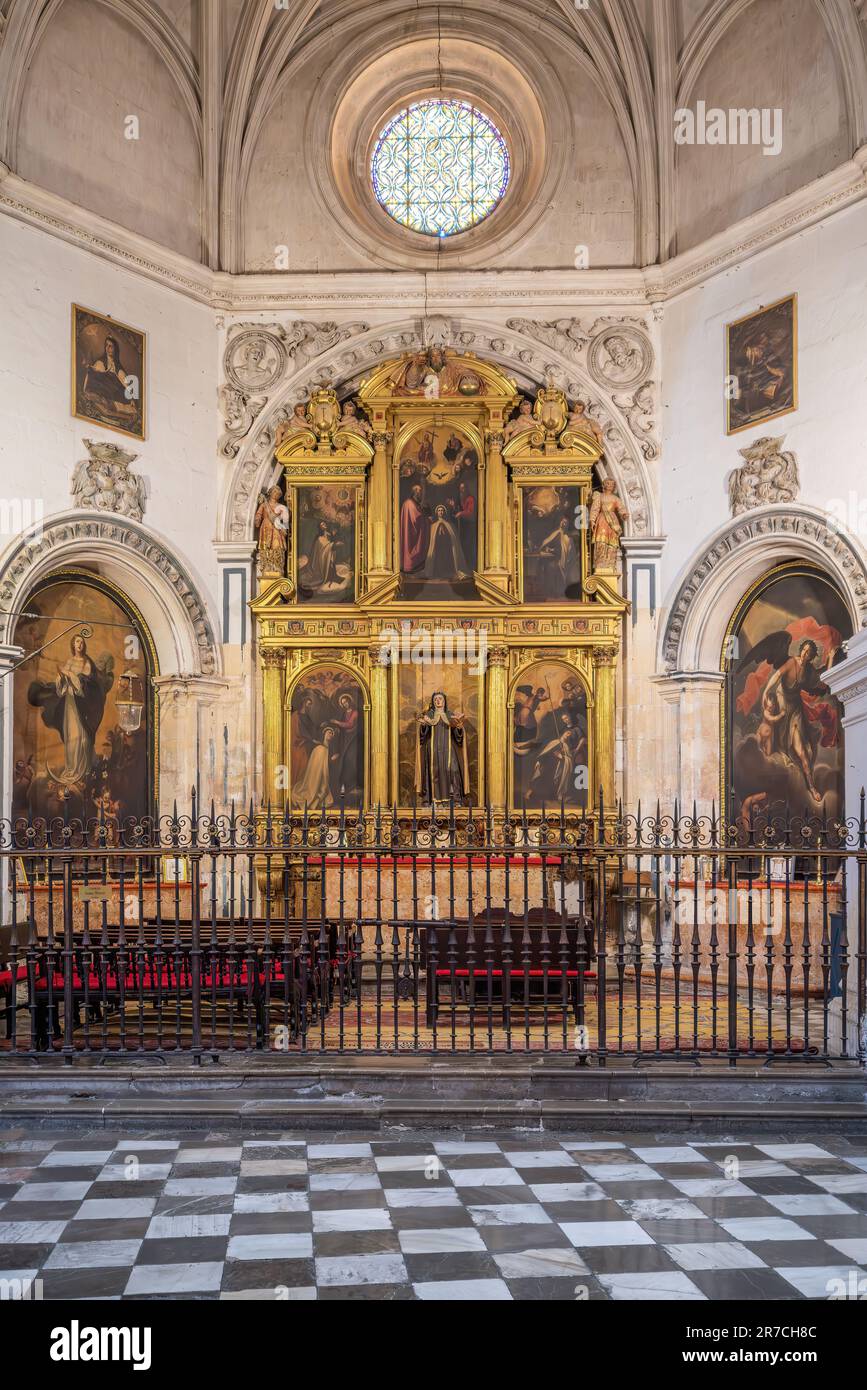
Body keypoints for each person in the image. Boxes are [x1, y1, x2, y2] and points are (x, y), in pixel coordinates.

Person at [415, 692, 469, 803]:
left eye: (440, 699)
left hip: (449, 749)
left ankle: (455, 800)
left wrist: (459, 727)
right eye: (436, 699)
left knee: (453, 770)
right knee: (433, 771)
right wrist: (424, 726)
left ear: (444, 701)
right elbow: (422, 736)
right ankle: (432, 800)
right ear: (433, 702)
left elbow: (458, 737)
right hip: (433, 750)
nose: (438, 701)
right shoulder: (429, 716)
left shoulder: (450, 715)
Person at [420, 505, 470, 581]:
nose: (441, 512)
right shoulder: (433, 526)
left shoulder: (450, 525)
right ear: (437, 513)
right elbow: (431, 540)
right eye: (439, 510)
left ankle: (449, 573)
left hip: (447, 549)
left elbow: (454, 540)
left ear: (444, 512)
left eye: (442, 510)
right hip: (437, 549)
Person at [291, 726, 336, 809]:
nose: (331, 734)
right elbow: (315, 768)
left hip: (323, 777)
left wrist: (332, 760)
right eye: (329, 732)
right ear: (324, 734)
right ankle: (312, 797)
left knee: (327, 796)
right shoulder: (319, 749)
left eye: (332, 733)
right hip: (315, 777)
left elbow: (326, 765)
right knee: (314, 787)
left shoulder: (328, 749)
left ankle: (319, 796)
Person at [588, 479, 628, 571]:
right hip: (602, 520)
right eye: (608, 483)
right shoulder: (600, 497)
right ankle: (600, 563)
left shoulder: (615, 498)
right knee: (601, 541)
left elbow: (621, 508)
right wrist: (592, 520)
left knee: (612, 543)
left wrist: (624, 514)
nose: (610, 485)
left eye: (612, 484)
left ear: (614, 487)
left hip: (612, 522)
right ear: (604, 485)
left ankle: (610, 564)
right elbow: (595, 509)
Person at [399, 484, 430, 573]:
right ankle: (410, 565)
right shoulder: (409, 503)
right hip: (411, 533)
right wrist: (427, 519)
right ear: (415, 492)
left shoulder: (413, 503)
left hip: (411, 531)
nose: (421, 493)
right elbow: (416, 518)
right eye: (419, 491)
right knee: (411, 548)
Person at [303, 521, 338, 590]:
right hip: (321, 557)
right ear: (320, 527)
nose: (324, 525)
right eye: (322, 525)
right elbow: (320, 548)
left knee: (331, 565)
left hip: (329, 554)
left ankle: (331, 576)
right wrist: (330, 546)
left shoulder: (330, 534)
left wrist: (333, 540)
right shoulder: (318, 538)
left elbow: (332, 543)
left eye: (324, 524)